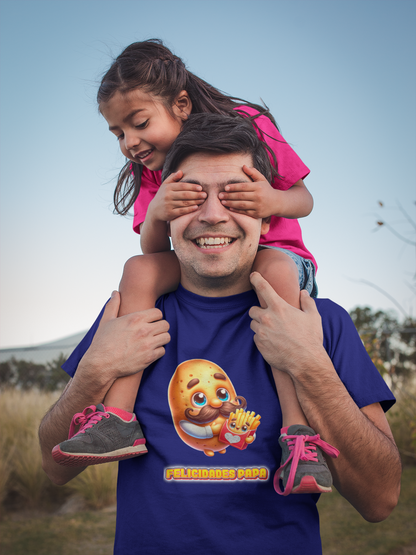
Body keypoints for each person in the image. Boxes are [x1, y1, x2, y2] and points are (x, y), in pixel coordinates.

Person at [40, 113, 401, 555]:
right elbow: (53, 468)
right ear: (166, 216)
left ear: (268, 220)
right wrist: (93, 371)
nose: (212, 215)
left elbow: (381, 500)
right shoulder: (131, 317)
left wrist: (310, 365)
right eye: (191, 197)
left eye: (235, 196)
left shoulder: (321, 323)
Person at [52, 41, 326, 494]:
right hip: (205, 260)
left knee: (274, 267)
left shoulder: (247, 126)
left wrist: (271, 200)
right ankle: (118, 420)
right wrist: (158, 209)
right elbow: (155, 247)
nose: (130, 142)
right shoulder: (154, 171)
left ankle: (298, 438)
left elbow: (304, 199)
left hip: (276, 258)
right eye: (118, 133)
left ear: (180, 104)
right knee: (138, 269)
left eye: (138, 123)